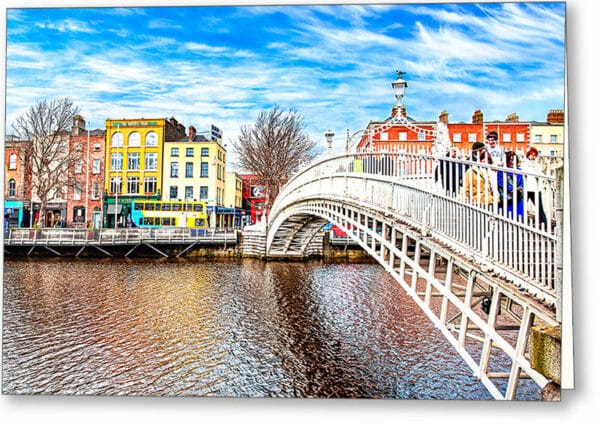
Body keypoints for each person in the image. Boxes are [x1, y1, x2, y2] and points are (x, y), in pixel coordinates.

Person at [463, 141, 498, 209]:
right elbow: (466, 185)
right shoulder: (469, 162)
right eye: (482, 150)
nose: (484, 151)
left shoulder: (489, 164)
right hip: (477, 198)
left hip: (489, 198)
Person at [521, 146, 548, 228]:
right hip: (526, 187)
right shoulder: (524, 163)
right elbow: (524, 172)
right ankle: (520, 219)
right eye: (532, 155)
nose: (533, 157)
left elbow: (539, 174)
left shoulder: (537, 165)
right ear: (528, 155)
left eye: (535, 155)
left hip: (536, 188)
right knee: (522, 204)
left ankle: (544, 222)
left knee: (539, 206)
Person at [497, 151, 525, 220]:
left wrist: (519, 189)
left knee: (519, 216)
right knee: (509, 216)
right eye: (510, 160)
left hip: (518, 196)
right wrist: (511, 189)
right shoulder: (501, 170)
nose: (512, 162)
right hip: (507, 196)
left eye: (513, 160)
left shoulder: (519, 170)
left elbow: (522, 183)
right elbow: (500, 182)